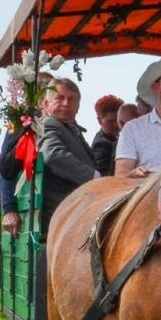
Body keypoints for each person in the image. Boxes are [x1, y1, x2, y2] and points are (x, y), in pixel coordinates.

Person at [36, 77, 99, 240]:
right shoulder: (48, 124)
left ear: (78, 106)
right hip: (64, 212)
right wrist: (96, 179)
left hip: (81, 207)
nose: (65, 103)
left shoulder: (72, 129)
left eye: (71, 99)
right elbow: (54, 156)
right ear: (45, 104)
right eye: (59, 98)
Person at [89, 94, 124, 177]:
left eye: (118, 120)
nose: (116, 125)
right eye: (111, 121)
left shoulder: (115, 139)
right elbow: (101, 176)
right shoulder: (101, 144)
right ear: (99, 120)